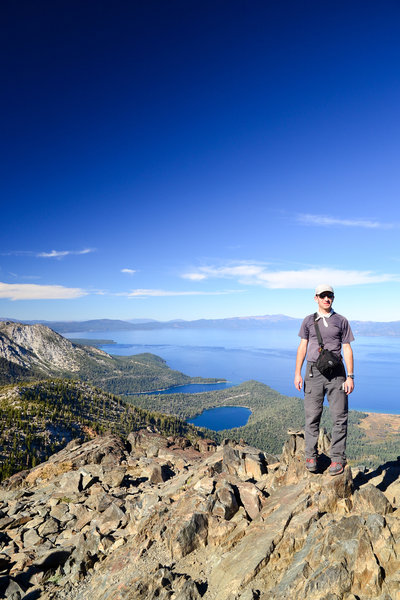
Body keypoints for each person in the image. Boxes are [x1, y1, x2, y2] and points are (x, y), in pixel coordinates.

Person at [294, 284, 354, 475]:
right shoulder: (308, 321)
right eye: (323, 296)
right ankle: (311, 456)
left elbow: (347, 348)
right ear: (316, 298)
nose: (327, 299)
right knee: (312, 416)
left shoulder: (341, 321)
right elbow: (302, 347)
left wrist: (350, 376)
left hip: (337, 373)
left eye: (330, 296)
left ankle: (337, 459)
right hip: (313, 373)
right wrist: (297, 373)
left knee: (339, 417)